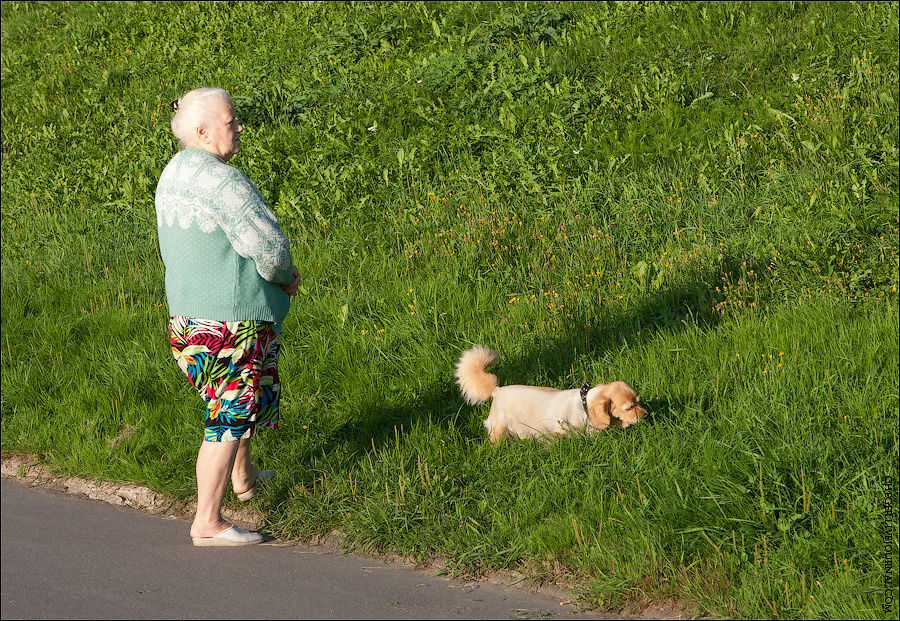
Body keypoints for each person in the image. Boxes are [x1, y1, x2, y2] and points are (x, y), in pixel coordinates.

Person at [155, 87, 300, 546]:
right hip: (230, 322)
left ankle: (244, 476)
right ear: (202, 131)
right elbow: (269, 248)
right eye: (230, 121)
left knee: (236, 400)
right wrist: (288, 276)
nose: (238, 128)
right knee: (227, 417)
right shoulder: (225, 182)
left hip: (188, 321)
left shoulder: (173, 173)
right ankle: (208, 523)